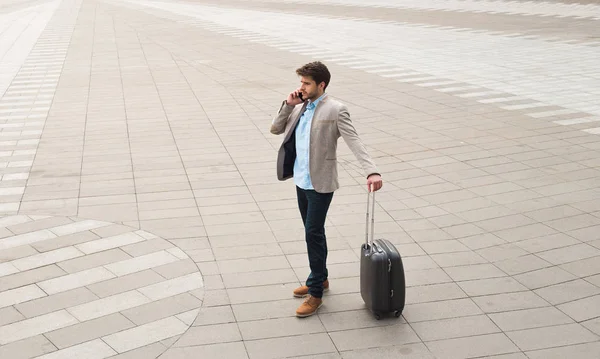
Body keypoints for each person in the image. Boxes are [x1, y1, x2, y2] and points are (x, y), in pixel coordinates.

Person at [270, 61, 383, 317]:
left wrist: (371, 170)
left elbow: (355, 140)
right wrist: (288, 105)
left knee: (312, 233)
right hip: (300, 179)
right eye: (301, 82)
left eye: (306, 83)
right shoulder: (299, 106)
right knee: (313, 232)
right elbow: (275, 129)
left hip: (320, 182)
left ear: (321, 85)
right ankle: (320, 278)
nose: (302, 87)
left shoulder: (336, 109)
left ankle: (316, 294)